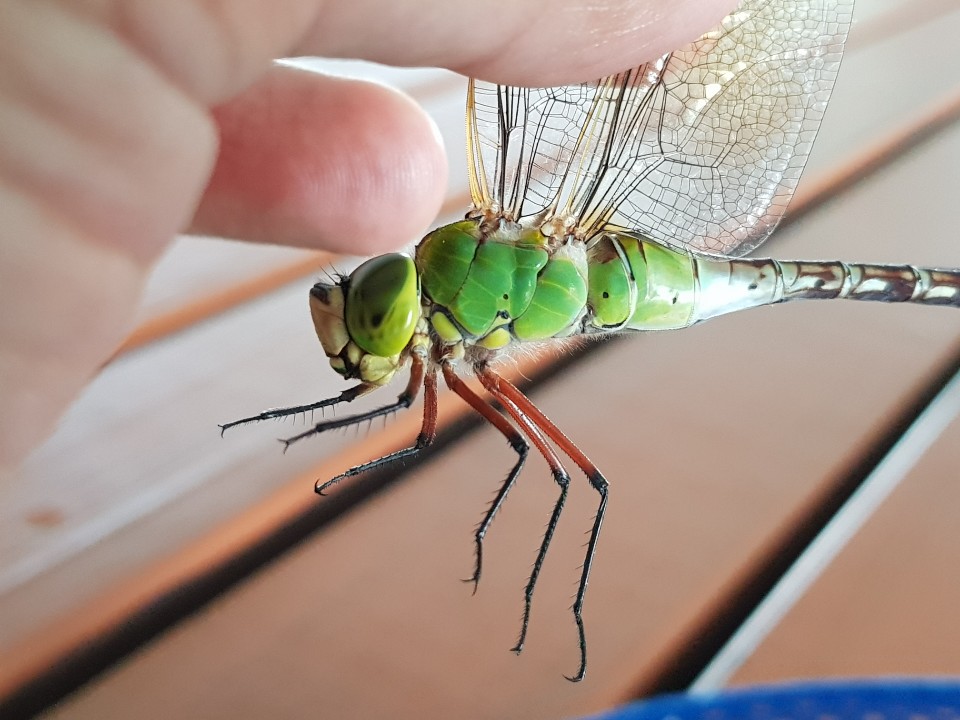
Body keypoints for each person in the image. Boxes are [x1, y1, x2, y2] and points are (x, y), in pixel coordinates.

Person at [0, 0, 731, 473]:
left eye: (369, 315)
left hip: (632, 275)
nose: (356, 329)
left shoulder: (447, 332)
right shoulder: (446, 343)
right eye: (369, 308)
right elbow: (396, 411)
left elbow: (404, 422)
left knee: (578, 482)